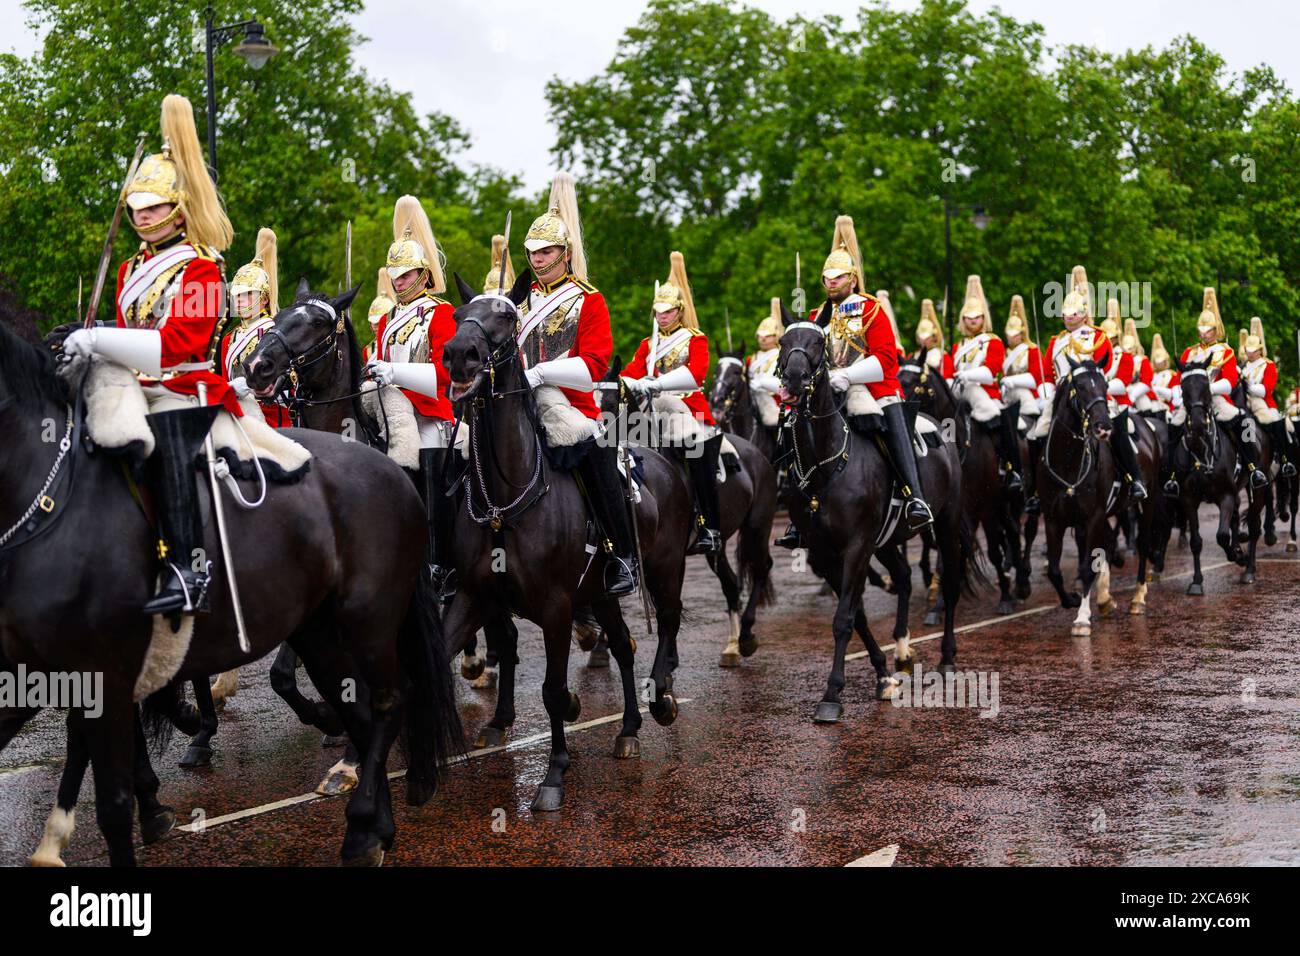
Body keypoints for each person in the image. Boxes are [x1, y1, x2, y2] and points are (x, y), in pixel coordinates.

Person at [61, 94, 237, 616]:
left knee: (165, 448)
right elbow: (133, 336)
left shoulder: (203, 270)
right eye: (136, 209)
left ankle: (188, 569)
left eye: (154, 207)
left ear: (179, 209)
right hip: (134, 384)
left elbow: (174, 347)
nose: (143, 218)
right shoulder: (129, 268)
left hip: (187, 386)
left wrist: (97, 337)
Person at [775, 215, 932, 548]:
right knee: (794, 427)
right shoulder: (819, 315)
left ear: (853, 277)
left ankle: (914, 497)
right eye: (827, 278)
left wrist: (847, 375)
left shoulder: (871, 309)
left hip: (871, 387)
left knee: (888, 418)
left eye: (840, 277)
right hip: (825, 392)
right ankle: (799, 515)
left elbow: (887, 360)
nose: (832, 283)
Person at [517, 172, 635, 596]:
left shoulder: (588, 298)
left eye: (547, 250)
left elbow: (595, 364)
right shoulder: (519, 300)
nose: (538, 258)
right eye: (533, 251)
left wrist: (542, 373)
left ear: (565, 253)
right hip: (519, 401)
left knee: (597, 452)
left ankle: (623, 555)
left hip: (572, 405)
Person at [363, 195, 458, 597]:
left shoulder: (442, 312)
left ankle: (441, 563)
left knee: (432, 470)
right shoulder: (386, 319)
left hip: (431, 413)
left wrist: (395, 372)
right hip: (389, 411)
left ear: (422, 274)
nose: (398, 283)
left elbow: (446, 374)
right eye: (394, 276)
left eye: (405, 276)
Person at [622, 251, 721, 555]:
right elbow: (631, 372)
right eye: (658, 312)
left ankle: (710, 525)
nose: (662, 316)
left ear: (679, 311)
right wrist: (626, 382)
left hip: (686, 407)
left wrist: (659, 383)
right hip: (651, 409)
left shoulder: (695, 338)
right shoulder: (647, 344)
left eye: (667, 311)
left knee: (698, 451)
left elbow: (696, 375)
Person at [1028, 265, 1148, 501]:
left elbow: (1103, 369)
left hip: (1092, 395)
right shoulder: (1056, 341)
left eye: (1074, 313)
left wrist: (1098, 393)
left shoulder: (1097, 336)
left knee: (1116, 429)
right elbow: (1048, 374)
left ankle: (1134, 480)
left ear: (1084, 314)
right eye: (1065, 313)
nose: (1068, 316)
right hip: (1062, 397)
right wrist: (1045, 391)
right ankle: (1034, 490)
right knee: (1036, 434)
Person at [1164, 287, 1269, 494]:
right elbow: (1178, 379)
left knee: (1243, 421)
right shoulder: (1189, 352)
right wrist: (1179, 395)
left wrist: (1207, 388)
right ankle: (1172, 477)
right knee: (1173, 427)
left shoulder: (1226, 351)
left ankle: (1253, 467)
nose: (1204, 333)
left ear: (1216, 329)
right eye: (1201, 329)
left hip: (1216, 398)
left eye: (1208, 329)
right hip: (1192, 401)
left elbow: (1230, 381)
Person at [950, 274, 1024, 491]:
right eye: (968, 318)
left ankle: (1010, 467)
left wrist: (968, 376)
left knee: (1001, 418)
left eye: (977, 317)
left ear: (984, 318)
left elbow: (991, 372)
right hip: (959, 394)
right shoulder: (957, 346)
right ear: (963, 320)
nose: (973, 321)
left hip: (987, 395)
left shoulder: (993, 342)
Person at [221, 227, 291, 426]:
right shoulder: (229, 338)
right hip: (236, 411)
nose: (241, 301)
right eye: (237, 295)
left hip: (271, 414)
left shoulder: (274, 331)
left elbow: (286, 380)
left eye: (248, 295)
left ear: (265, 298)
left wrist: (251, 387)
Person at [999, 295, 1045, 510]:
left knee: (1035, 438)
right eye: (1009, 334)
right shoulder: (1004, 352)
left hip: (1027, 402)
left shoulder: (1032, 350)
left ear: (1022, 333)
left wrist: (1011, 379)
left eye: (1015, 334)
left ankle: (1037, 485)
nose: (1011, 338)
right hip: (1006, 400)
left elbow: (1036, 377)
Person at [1240, 316, 1295, 477]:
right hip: (1244, 402)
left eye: (1253, 351)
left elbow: (1267, 389)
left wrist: (1249, 386)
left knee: (1276, 422)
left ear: (1260, 350)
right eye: (1248, 351)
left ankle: (1284, 460)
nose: (1250, 354)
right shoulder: (1243, 366)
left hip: (1262, 403)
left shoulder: (1268, 365)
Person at [745, 300, 784, 431]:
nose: (763, 339)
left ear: (776, 336)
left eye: (768, 336)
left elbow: (784, 384)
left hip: (776, 402)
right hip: (753, 400)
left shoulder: (782, 355)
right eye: (760, 336)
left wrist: (761, 383)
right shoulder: (752, 358)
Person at [913, 298, 954, 379]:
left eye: (927, 337)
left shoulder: (943, 356)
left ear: (934, 337)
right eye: (921, 337)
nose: (923, 341)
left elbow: (948, 378)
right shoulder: (913, 356)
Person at [1148, 333, 1180, 417]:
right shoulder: (1151, 375)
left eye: (1161, 361)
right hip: (1151, 405)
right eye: (1157, 362)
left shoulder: (1172, 375)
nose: (1159, 364)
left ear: (1165, 361)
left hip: (1167, 408)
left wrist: (1157, 390)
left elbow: (1173, 395)